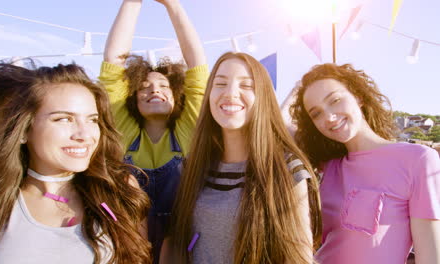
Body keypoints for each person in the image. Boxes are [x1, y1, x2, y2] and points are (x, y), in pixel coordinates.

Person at [0, 63, 151, 264]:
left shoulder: (119, 190)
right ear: (23, 130)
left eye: (92, 120)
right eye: (64, 119)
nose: (85, 135)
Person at [165, 52, 321, 264]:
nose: (230, 93)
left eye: (246, 86)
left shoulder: (285, 167)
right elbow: (175, 243)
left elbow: (299, 255)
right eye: (220, 84)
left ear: (263, 97)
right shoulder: (191, 166)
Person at [289, 63, 440, 264]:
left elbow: (430, 255)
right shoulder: (329, 167)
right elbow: (275, 131)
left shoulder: (418, 159)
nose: (329, 117)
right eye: (316, 113)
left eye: (335, 100)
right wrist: (297, 89)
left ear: (358, 96)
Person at [99, 0, 208, 261]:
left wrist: (173, 5)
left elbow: (197, 66)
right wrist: (132, 3)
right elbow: (114, 65)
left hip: (183, 250)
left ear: (178, 97)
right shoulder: (124, 130)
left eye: (163, 86)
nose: (154, 90)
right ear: (133, 99)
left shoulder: (188, 130)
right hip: (130, 250)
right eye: (144, 87)